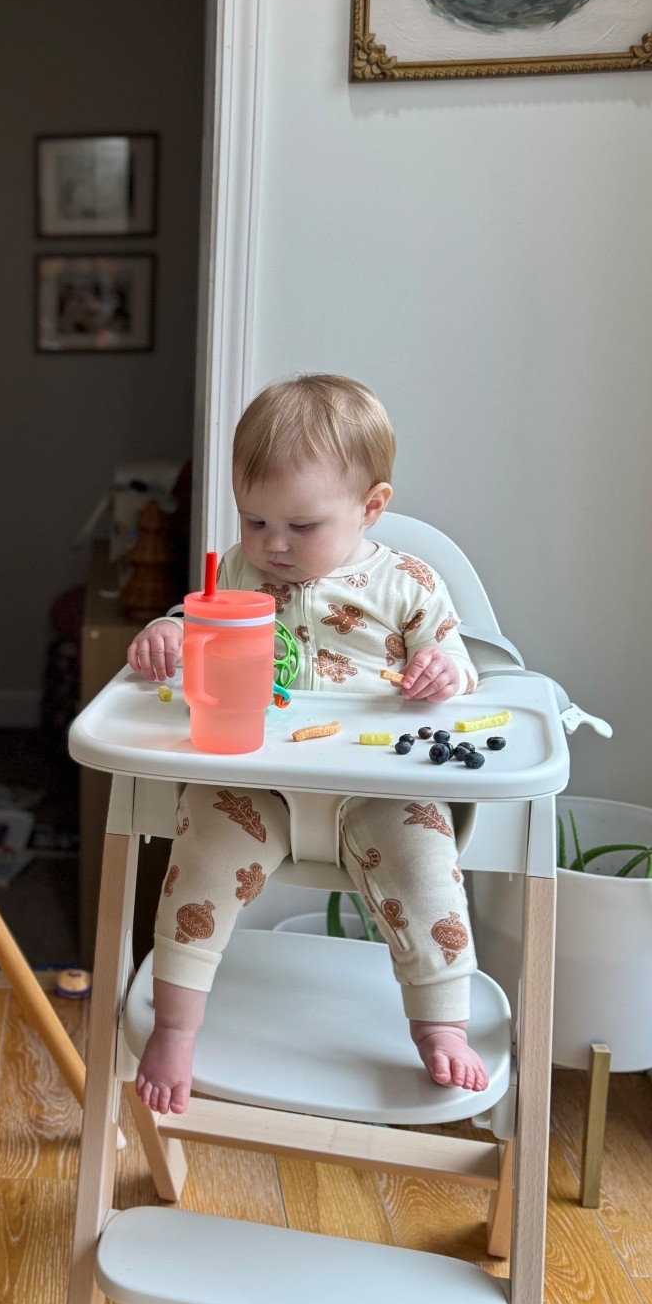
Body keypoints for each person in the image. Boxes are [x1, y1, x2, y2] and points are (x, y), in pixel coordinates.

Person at [128, 374, 489, 1114]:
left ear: (371, 507)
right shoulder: (239, 572)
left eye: (301, 525)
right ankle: (176, 1027)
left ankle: (440, 1024)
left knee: (429, 872)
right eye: (254, 519)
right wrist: (167, 631)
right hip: (254, 781)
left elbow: (462, 668)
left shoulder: (409, 583)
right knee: (197, 865)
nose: (272, 543)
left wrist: (443, 670)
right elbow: (197, 626)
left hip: (379, 786)